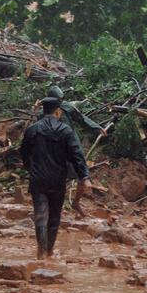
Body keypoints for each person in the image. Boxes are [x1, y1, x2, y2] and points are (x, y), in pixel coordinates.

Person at [21, 97, 92, 259]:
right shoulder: (65, 131)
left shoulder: (32, 130)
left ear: (43, 110)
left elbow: (24, 154)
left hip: (38, 180)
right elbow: (77, 156)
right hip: (57, 180)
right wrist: (84, 177)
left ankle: (41, 251)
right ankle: (49, 252)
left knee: (40, 215)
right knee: (54, 218)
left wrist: (31, 169)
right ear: (58, 111)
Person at [43, 85, 108, 140]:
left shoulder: (66, 106)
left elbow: (81, 119)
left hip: (69, 139)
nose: (60, 101)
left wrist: (97, 128)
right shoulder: (43, 111)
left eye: (61, 99)